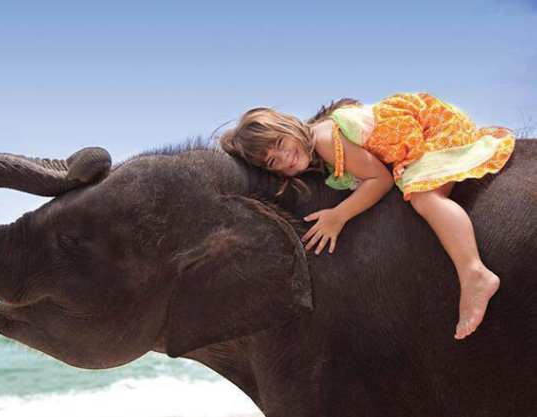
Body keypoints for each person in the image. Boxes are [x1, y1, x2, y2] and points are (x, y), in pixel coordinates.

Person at [218, 92, 515, 340]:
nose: (284, 158)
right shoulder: (319, 145)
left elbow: (379, 180)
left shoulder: (324, 139)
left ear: (290, 126)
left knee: (425, 198)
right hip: (422, 123)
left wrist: (338, 216)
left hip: (433, 129)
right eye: (273, 161)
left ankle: (474, 272)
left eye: (280, 144)